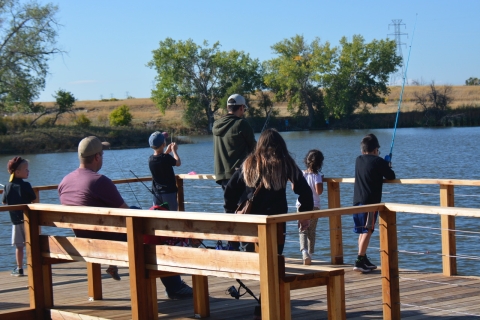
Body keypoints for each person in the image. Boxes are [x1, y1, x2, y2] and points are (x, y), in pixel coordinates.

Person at [58, 136, 192, 299]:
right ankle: (175, 286)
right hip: (109, 242)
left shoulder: (64, 182)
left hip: (83, 239)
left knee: (144, 219)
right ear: (97, 157)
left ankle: (174, 284)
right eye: (102, 154)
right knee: (152, 228)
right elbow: (128, 213)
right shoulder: (99, 182)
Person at [224, 129, 313, 254]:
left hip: (250, 219)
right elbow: (305, 191)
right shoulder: (285, 163)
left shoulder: (248, 163)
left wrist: (230, 212)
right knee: (274, 256)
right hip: (276, 219)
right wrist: (304, 215)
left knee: (250, 255)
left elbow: (230, 189)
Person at [353, 133, 395, 273]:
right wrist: (387, 164)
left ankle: (363, 258)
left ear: (362, 149)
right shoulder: (378, 162)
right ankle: (359, 260)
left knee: (362, 230)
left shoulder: (358, 160)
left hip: (357, 201)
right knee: (368, 230)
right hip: (370, 203)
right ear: (376, 149)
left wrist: (384, 164)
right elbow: (391, 176)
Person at [213, 93, 256, 190]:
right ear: (241, 107)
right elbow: (254, 148)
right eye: (244, 109)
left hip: (222, 177)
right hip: (239, 175)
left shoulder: (216, 124)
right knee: (245, 204)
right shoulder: (241, 124)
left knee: (231, 205)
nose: (244, 112)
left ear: (228, 107)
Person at [2, 157, 36, 276]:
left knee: (19, 246)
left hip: (16, 221)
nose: (28, 171)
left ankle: (20, 268)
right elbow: (33, 198)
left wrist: (7, 189)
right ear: (17, 172)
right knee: (32, 244)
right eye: (26, 169)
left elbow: (4, 202)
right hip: (28, 220)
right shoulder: (26, 185)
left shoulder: (7, 186)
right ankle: (35, 265)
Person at [296, 149, 324, 265]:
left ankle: (304, 252)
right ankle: (311, 254)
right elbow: (319, 191)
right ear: (319, 164)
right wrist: (321, 181)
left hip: (301, 205)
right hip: (314, 206)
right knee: (311, 230)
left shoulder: (301, 174)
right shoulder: (317, 176)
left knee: (302, 229)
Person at [148, 131, 181, 210]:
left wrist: (166, 152)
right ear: (164, 144)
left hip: (157, 194)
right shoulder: (165, 158)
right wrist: (174, 151)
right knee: (172, 216)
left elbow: (161, 159)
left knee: (158, 216)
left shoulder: (150, 159)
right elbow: (178, 163)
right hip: (169, 193)